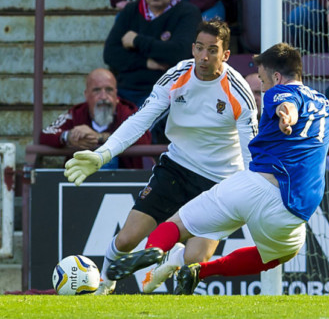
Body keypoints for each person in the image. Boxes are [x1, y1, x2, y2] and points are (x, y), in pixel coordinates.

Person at [101, 43, 329, 296]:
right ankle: (202, 271)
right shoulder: (325, 105)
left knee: (176, 225)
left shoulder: (279, 94)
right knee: (280, 254)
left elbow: (287, 104)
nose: (263, 87)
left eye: (263, 80)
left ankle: (155, 249)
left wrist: (286, 116)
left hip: (255, 186)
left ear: (277, 77)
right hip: (295, 210)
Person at [65, 20, 258, 295]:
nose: (204, 57)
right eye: (200, 48)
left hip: (219, 182)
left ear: (225, 55)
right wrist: (102, 154)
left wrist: (251, 196)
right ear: (192, 48)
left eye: (212, 50)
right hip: (177, 169)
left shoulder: (239, 91)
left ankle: (171, 261)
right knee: (128, 238)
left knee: (195, 261)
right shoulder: (177, 75)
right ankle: (105, 283)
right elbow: (141, 119)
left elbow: (251, 150)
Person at [104, 0, 202, 111]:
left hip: (168, 94)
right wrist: (146, 62)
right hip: (126, 92)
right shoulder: (130, 11)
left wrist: (136, 41)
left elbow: (180, 53)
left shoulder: (188, 13)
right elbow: (110, 54)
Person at [39, 68, 151, 169]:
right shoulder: (76, 113)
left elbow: (144, 139)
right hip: (80, 182)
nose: (103, 96)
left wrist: (99, 137)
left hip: (123, 183)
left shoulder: (128, 112)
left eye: (109, 90)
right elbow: (45, 134)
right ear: (86, 95)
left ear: (116, 95)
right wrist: (69, 136)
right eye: (97, 90)